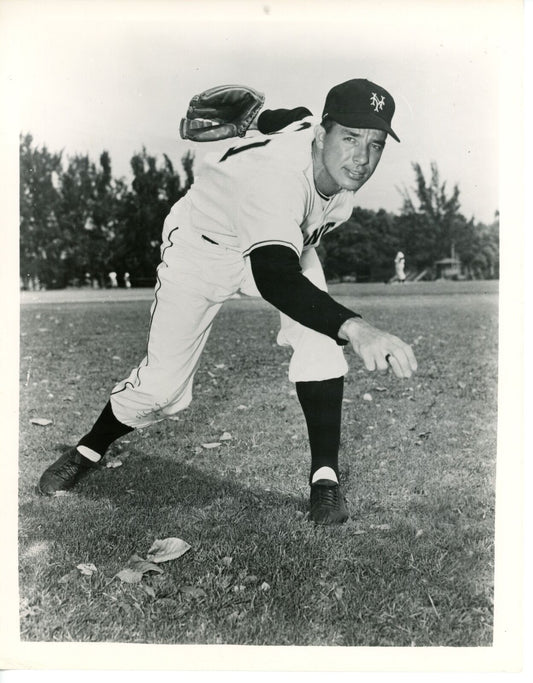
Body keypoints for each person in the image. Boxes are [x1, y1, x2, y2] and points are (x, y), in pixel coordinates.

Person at [38, 78, 417, 524]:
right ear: (323, 134)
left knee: (320, 342)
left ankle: (325, 481)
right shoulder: (278, 180)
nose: (362, 156)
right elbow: (275, 278)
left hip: (278, 241)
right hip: (203, 247)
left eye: (374, 144)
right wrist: (357, 327)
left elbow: (291, 116)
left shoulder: (321, 143)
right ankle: (88, 449)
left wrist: (258, 120)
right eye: (350, 138)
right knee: (162, 387)